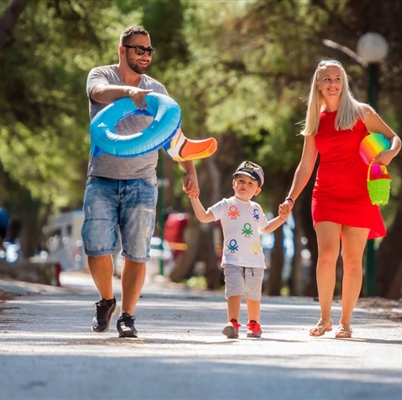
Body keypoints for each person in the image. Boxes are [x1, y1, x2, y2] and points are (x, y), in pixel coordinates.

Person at [83, 25, 199, 338]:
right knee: (96, 248)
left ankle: (127, 316)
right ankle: (107, 300)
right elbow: (97, 93)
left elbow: (172, 133)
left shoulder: (157, 89)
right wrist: (128, 93)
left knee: (136, 253)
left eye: (149, 50)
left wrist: (190, 171)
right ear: (123, 50)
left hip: (142, 181)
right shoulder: (102, 75)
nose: (146, 55)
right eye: (139, 50)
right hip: (102, 178)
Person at [279, 59, 402, 339]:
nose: (332, 83)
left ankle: (346, 322)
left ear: (343, 82)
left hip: (360, 195)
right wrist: (290, 198)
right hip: (325, 194)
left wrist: (389, 153)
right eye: (327, 79)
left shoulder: (361, 113)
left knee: (352, 260)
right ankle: (325, 318)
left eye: (337, 78)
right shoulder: (315, 122)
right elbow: (305, 166)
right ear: (318, 84)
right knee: (326, 256)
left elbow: (394, 138)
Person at [188, 161, 287, 338]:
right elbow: (204, 217)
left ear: (257, 190)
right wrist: (194, 198)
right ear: (233, 183)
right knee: (234, 292)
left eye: (250, 183)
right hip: (232, 259)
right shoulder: (226, 205)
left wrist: (281, 218)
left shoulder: (256, 208)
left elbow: (265, 228)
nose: (244, 185)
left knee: (253, 296)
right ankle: (232, 323)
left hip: (255, 261)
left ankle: (254, 324)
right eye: (241, 180)